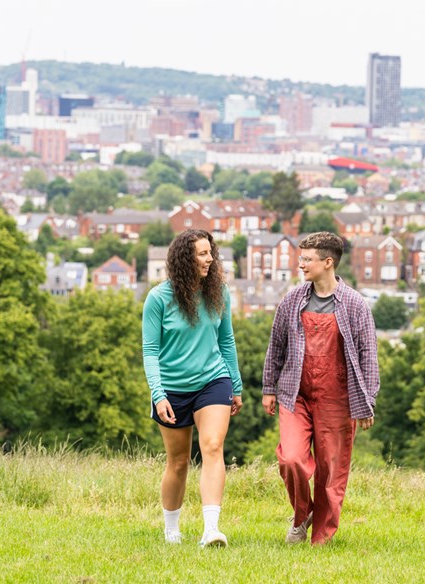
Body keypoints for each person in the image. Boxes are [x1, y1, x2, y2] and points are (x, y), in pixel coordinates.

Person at [262, 231, 379, 545]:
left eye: (307, 259)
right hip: (295, 394)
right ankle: (302, 516)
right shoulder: (293, 299)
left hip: (337, 398)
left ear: (328, 262)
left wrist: (367, 401)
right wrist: (269, 388)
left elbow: (368, 355)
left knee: (330, 471)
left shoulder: (355, 305)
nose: (301, 265)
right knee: (291, 459)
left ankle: (321, 538)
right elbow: (277, 345)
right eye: (301, 258)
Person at [142, 229, 243, 548]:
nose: (210, 258)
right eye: (202, 253)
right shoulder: (158, 298)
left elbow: (226, 340)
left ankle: (211, 530)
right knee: (179, 461)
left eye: (210, 252)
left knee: (213, 446)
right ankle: (172, 531)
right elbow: (150, 351)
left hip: (213, 381)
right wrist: (158, 395)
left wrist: (236, 385)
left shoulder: (219, 293)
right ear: (185, 259)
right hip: (171, 389)